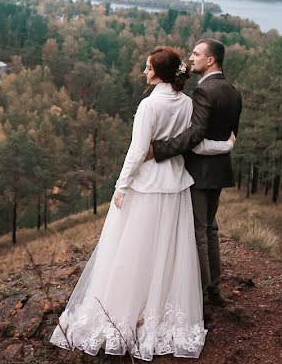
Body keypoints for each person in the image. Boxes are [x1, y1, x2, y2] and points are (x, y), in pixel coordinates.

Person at [50, 46, 234, 360]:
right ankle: (158, 309)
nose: (143, 72)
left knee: (134, 249)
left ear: (159, 73)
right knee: (167, 252)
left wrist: (121, 186)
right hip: (175, 187)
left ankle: (125, 311)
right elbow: (197, 145)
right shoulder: (187, 103)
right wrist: (225, 145)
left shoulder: (148, 105)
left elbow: (136, 153)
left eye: (147, 67)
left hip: (147, 186)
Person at [150, 39, 242, 317]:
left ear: (211, 60)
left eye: (196, 54)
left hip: (199, 172)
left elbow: (196, 135)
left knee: (199, 232)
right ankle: (213, 288)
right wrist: (225, 148)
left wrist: (159, 150)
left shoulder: (204, 92)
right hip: (219, 170)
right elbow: (229, 135)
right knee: (210, 229)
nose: (191, 58)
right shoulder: (233, 91)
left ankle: (200, 294)